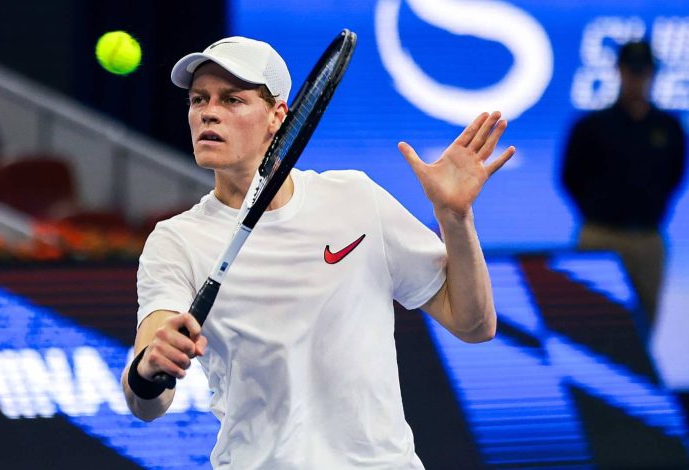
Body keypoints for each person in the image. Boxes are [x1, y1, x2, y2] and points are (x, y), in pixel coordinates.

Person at [121, 36, 515, 468]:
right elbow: (147, 403)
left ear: (278, 116)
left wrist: (455, 218)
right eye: (199, 99)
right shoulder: (175, 241)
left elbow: (474, 324)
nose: (208, 112)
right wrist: (148, 370)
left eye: (232, 99)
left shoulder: (356, 198)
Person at [562, 40, 686, 329]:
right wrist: (597, 211)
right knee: (591, 321)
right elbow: (570, 177)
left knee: (644, 323)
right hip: (600, 234)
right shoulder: (591, 126)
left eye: (642, 70)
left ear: (652, 73)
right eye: (631, 70)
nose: (636, 78)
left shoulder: (668, 127)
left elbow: (675, 176)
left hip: (647, 238)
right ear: (619, 70)